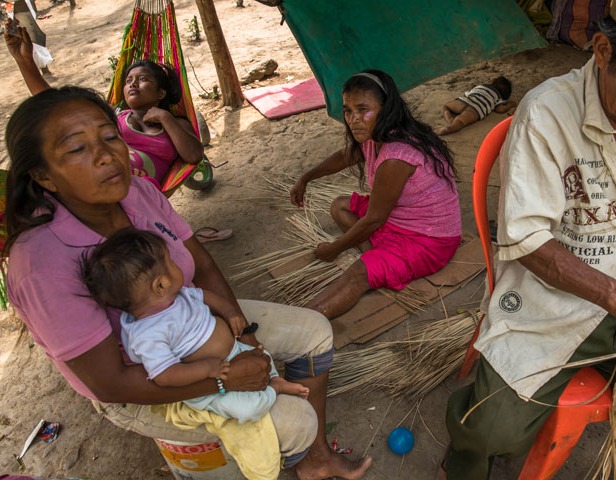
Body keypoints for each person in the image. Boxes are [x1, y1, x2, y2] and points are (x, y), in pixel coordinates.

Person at [4, 86, 372, 480]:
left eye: (109, 136)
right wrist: (222, 377)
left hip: (196, 319)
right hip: (145, 374)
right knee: (294, 421)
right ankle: (268, 452)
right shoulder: (42, 265)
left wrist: (241, 330)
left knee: (313, 332)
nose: (106, 155)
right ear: (45, 177)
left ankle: (312, 460)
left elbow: (202, 265)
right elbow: (110, 382)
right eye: (77, 149)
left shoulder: (138, 193)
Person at [442, 0, 616, 478]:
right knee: (490, 433)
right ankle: (461, 461)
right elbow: (525, 238)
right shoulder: (547, 112)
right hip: (559, 295)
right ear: (605, 50)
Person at [81, 227, 310, 426]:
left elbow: (208, 297)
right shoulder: (147, 335)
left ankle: (273, 379)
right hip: (210, 379)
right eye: (170, 262)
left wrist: (230, 313)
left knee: (261, 358)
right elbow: (165, 375)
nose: (177, 263)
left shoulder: (177, 295)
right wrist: (208, 370)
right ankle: (274, 391)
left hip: (233, 353)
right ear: (160, 285)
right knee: (248, 410)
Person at [290, 69, 462, 320]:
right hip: (400, 220)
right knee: (339, 206)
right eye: (348, 110)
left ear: (385, 108)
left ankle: (299, 324)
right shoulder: (377, 134)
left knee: (357, 275)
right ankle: (379, 257)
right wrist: (307, 177)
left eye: (363, 109)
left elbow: (374, 220)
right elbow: (346, 155)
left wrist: (334, 249)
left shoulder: (397, 154)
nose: (353, 119)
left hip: (430, 240)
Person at [4, 18, 203, 191]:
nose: (132, 83)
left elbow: (193, 155)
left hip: (137, 193)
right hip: (98, 182)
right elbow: (58, 108)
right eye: (128, 80)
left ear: (161, 92)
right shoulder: (115, 117)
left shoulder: (177, 124)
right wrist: (25, 61)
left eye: (142, 79)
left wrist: (165, 117)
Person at [435, 76, 515, 136]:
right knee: (460, 122)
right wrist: (510, 104)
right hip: (476, 109)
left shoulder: (480, 86)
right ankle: (449, 128)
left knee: (446, 106)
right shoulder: (498, 97)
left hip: (465, 101)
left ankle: (449, 118)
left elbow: (468, 93)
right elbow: (500, 109)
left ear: (491, 81)